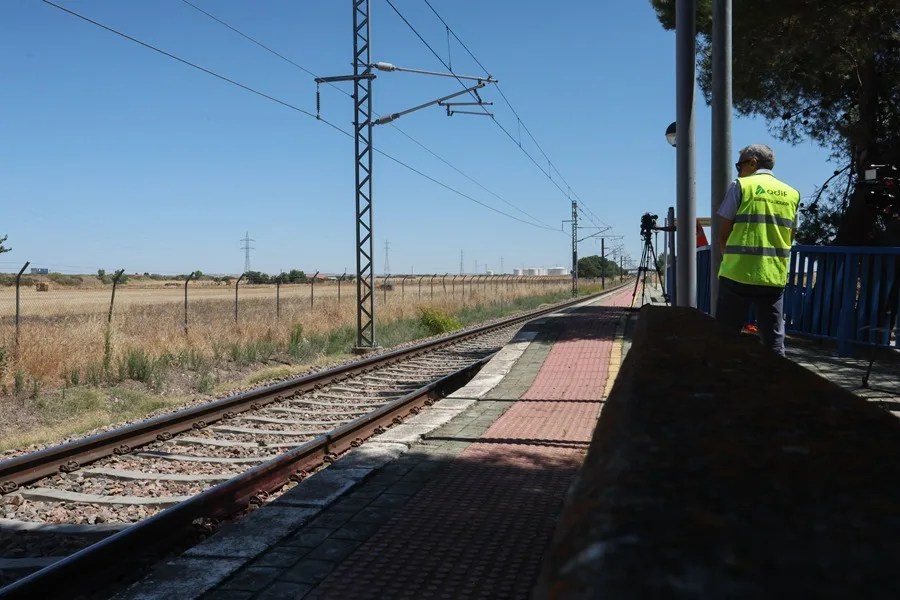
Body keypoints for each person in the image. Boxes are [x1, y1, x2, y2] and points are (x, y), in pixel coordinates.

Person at [716, 144, 800, 356]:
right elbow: (791, 235)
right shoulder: (791, 194)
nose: (738, 170)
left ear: (752, 163)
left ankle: (724, 382)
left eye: (739, 164)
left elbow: (723, 233)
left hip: (737, 274)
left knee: (726, 338)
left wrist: (729, 259)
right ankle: (775, 384)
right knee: (773, 341)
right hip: (772, 276)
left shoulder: (742, 186)